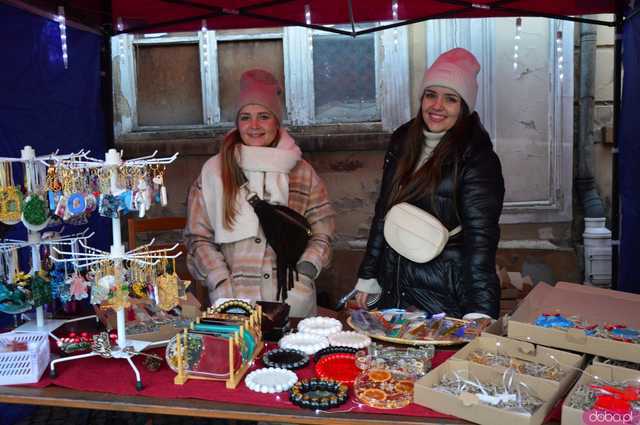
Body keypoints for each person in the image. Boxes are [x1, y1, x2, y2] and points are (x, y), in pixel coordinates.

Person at [352, 48, 505, 319]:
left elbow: (481, 240)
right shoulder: (403, 140)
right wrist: (368, 275)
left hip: (442, 293)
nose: (437, 106)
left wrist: (480, 312)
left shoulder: (477, 157)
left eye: (451, 99)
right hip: (394, 283)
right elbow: (383, 212)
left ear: (464, 107)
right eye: (431, 95)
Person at [184, 69, 335, 318]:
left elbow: (323, 231)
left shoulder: (302, 172)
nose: (254, 126)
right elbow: (198, 238)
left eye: (263, 116)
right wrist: (221, 283)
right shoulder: (214, 172)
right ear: (237, 122)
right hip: (234, 304)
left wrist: (306, 273)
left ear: (277, 121)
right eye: (245, 117)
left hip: (292, 304)